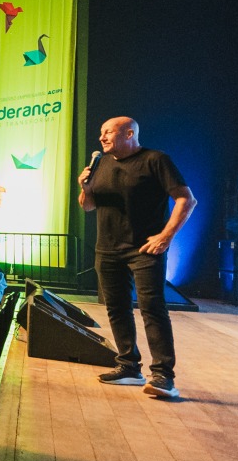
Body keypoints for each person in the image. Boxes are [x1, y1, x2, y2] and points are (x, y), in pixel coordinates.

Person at [78, 116, 196, 400]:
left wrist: (165, 236)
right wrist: (85, 188)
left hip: (144, 249)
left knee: (152, 308)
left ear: (129, 134)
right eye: (101, 132)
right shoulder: (101, 163)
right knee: (116, 308)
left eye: (108, 132)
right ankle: (129, 367)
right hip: (108, 249)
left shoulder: (155, 160)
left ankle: (164, 376)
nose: (102, 137)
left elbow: (186, 199)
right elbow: (88, 207)